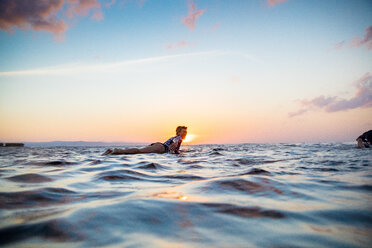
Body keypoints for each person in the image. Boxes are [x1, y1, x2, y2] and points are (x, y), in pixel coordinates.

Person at [102, 126, 187, 155]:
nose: (185, 133)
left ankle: (115, 152)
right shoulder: (178, 138)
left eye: (186, 131)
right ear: (178, 133)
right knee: (139, 151)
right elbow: (174, 145)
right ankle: (116, 151)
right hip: (162, 148)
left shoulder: (176, 138)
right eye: (184, 131)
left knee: (140, 151)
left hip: (159, 146)